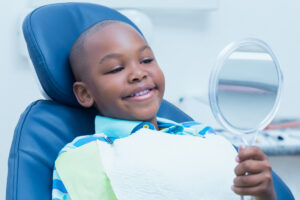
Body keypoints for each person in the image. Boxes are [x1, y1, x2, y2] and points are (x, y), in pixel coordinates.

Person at [51, 19, 276, 200]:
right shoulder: (82, 156)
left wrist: (264, 194)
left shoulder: (203, 136)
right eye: (116, 68)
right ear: (85, 93)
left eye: (147, 60)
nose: (138, 73)